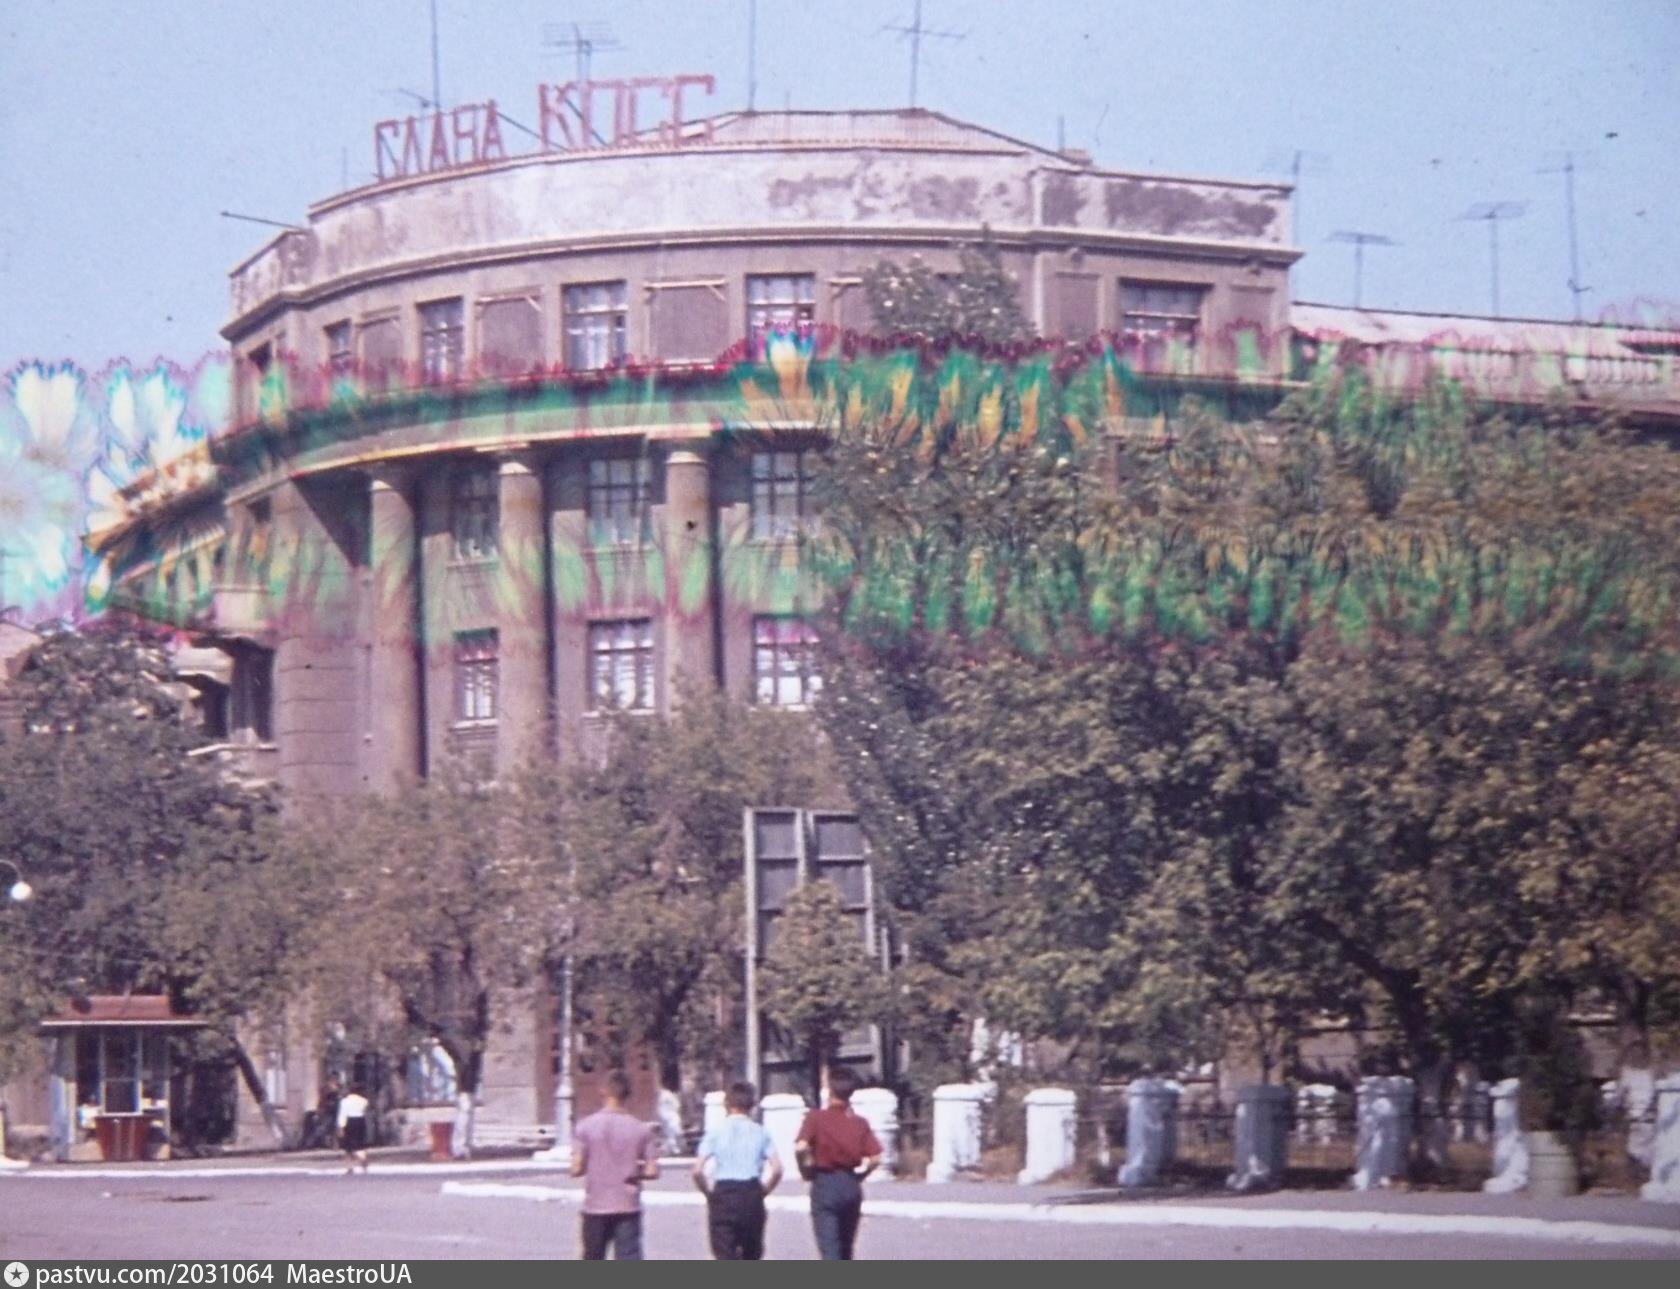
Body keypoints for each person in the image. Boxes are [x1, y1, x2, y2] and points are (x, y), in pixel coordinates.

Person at [793, 1066, 883, 1260]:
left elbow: (801, 1147)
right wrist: (861, 1176)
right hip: (850, 1183)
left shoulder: (816, 1118)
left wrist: (805, 1170)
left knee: (830, 1249)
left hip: (825, 1182)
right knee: (846, 1249)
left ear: (830, 1090)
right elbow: (876, 1157)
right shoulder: (859, 1123)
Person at [571, 1069, 660, 1260]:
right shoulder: (641, 1130)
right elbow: (652, 1171)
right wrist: (632, 1170)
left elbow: (576, 1169)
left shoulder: (585, 1126)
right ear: (628, 1094)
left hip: (596, 1205)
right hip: (627, 1206)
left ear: (603, 1091)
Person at [691, 1080, 782, 1260]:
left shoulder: (716, 1131)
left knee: (724, 1252)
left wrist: (708, 1192)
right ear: (752, 1105)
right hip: (751, 1191)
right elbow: (777, 1169)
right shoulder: (760, 1132)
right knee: (751, 1252)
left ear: (726, 1103)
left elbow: (697, 1170)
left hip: (724, 1192)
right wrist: (764, 1190)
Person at [337, 1083, 370, 1174]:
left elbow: (343, 1114)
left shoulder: (345, 1101)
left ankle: (350, 1166)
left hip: (349, 1122)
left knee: (347, 1146)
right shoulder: (364, 1101)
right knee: (359, 1143)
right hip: (360, 1121)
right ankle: (362, 1157)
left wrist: (341, 1127)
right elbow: (365, 1111)